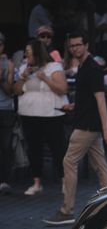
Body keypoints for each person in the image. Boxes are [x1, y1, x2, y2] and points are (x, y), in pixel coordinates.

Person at [44, 32, 107, 226]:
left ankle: (67, 210)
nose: (74, 48)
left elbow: (101, 100)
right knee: (101, 166)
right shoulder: (85, 67)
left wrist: (106, 128)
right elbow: (90, 99)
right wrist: (75, 106)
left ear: (86, 45)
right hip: (87, 123)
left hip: (86, 126)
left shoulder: (92, 68)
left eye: (78, 45)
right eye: (72, 46)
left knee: (69, 162)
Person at [14, 39, 68, 196]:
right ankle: (37, 183)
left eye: (28, 52)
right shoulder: (24, 67)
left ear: (37, 53)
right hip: (29, 114)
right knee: (34, 148)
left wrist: (45, 78)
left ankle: (65, 181)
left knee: (57, 148)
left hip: (51, 114)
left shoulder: (54, 67)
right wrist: (23, 77)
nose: (26, 55)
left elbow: (62, 89)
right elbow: (16, 91)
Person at [0, 32, 14, 194]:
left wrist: (3, 78)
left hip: (6, 109)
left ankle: (4, 180)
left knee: (5, 146)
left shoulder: (9, 64)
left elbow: (10, 91)